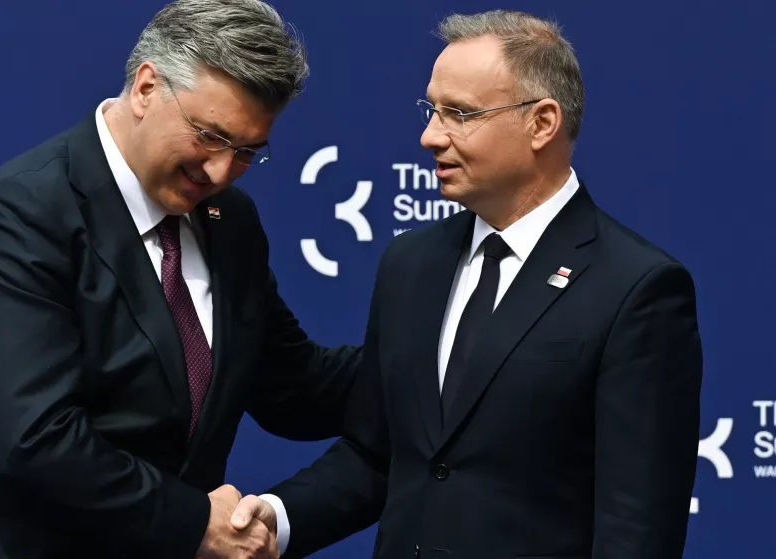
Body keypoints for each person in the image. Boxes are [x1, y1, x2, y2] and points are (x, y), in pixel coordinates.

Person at [0, 1, 361, 558]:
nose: (222, 171)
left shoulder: (231, 223)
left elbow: (291, 386)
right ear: (146, 88)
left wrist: (440, 358)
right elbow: (36, 437)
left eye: (248, 151)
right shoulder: (23, 212)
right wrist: (199, 522)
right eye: (210, 136)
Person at [233, 9, 703, 559]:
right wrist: (278, 519)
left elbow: (636, 529)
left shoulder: (638, 289)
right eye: (431, 110)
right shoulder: (410, 263)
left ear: (542, 123)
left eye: (459, 114)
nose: (430, 136)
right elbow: (379, 454)